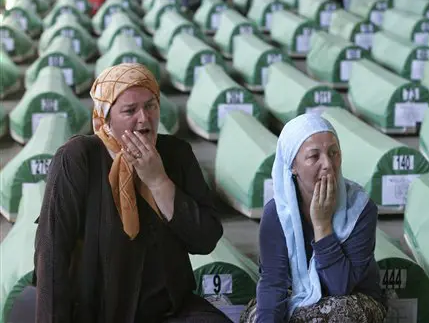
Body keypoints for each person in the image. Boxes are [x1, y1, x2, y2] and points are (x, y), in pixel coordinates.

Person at [33, 63, 231, 323]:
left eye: (151, 105)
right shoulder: (79, 157)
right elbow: (52, 250)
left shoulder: (176, 154)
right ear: (106, 118)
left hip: (168, 310)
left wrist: (158, 181)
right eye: (129, 110)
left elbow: (205, 240)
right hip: (97, 312)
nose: (144, 118)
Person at [240, 114, 387, 323]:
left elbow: (340, 287)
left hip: (353, 299)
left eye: (333, 153)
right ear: (293, 165)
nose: (328, 164)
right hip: (296, 296)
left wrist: (322, 225)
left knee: (339, 314)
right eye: (314, 156)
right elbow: (273, 284)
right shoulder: (277, 214)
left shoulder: (360, 208)